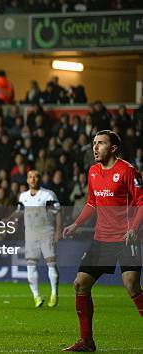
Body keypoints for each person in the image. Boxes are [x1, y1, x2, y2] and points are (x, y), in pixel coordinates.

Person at [62, 130, 143, 352]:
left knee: (131, 285)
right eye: (94, 143)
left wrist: (134, 229)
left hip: (126, 238)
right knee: (80, 283)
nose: (95, 147)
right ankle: (86, 341)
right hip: (102, 238)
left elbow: (141, 202)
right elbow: (92, 202)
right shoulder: (93, 171)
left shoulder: (128, 171)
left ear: (113, 148)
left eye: (101, 143)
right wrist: (76, 224)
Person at [11, 170, 62, 308]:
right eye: (30, 177)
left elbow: (57, 213)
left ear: (40, 179)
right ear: (27, 180)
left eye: (36, 177)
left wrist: (58, 231)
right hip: (31, 235)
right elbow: (19, 212)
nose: (33, 179)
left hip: (47, 232)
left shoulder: (48, 195)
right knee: (31, 264)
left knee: (51, 263)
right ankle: (36, 296)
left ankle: (54, 293)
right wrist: (7, 221)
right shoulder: (23, 197)